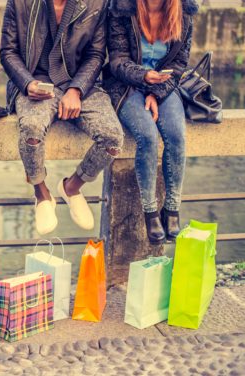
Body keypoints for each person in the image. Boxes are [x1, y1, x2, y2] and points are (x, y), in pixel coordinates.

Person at [0, 0, 124, 235]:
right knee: (31, 128)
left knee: (113, 137)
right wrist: (27, 83)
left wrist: (76, 89)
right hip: (34, 82)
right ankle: (41, 193)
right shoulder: (19, 2)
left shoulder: (96, 3)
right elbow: (7, 51)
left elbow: (97, 55)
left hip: (79, 84)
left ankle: (72, 187)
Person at [105, 0, 198, 244]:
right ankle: (150, 211)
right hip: (127, 85)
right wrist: (145, 78)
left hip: (165, 87)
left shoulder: (185, 11)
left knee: (176, 136)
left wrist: (156, 93)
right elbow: (117, 60)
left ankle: (172, 209)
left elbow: (179, 64)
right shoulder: (121, 8)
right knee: (147, 136)